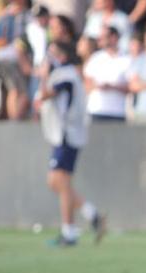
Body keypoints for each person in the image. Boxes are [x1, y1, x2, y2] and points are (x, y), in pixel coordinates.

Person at [35, 41, 106, 247]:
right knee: (55, 182)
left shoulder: (65, 75)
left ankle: (69, 232)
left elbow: (47, 94)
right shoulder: (66, 74)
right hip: (64, 134)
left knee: (62, 182)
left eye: (54, 52)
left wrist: (43, 75)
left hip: (67, 133)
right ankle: (93, 215)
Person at [84, 26, 131, 121]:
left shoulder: (127, 59)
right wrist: (97, 86)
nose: (100, 40)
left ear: (114, 38)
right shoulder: (95, 58)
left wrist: (112, 87)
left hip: (118, 111)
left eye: (104, 37)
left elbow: (131, 86)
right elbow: (86, 83)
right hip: (96, 110)